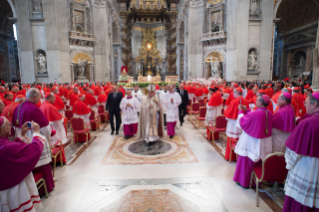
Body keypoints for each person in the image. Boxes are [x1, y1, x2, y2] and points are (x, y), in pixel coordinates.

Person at [12, 88, 55, 194]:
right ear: (35, 97)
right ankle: (45, 188)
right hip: (34, 140)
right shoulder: (34, 109)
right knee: (41, 165)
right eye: (40, 96)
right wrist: (50, 131)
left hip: (22, 140)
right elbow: (45, 129)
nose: (41, 98)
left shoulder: (18, 107)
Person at [283, 92, 319, 212]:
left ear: (314, 105)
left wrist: (289, 164)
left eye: (306, 103)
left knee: (302, 201)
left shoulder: (308, 123)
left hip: (308, 169)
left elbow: (293, 152)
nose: (305, 106)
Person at [0, 117, 45, 212]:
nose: (11, 127)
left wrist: (22, 134)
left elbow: (10, 153)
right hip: (12, 191)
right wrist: (36, 133)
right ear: (3, 130)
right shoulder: (6, 147)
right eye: (9, 125)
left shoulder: (4, 145)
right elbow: (35, 150)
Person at [233, 95, 273, 188]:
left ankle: (244, 182)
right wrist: (246, 109)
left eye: (257, 101)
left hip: (252, 141)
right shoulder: (268, 112)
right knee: (258, 162)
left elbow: (241, 122)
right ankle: (256, 183)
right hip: (262, 141)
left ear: (261, 103)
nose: (255, 102)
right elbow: (254, 115)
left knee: (246, 161)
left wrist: (240, 111)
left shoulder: (255, 113)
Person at [224, 87, 249, 161]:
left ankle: (230, 157)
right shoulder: (246, 101)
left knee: (232, 138)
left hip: (233, 123)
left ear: (237, 93)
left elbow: (228, 114)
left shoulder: (234, 102)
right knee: (239, 138)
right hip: (242, 123)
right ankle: (238, 157)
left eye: (234, 92)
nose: (233, 94)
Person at [40, 93, 67, 162]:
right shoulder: (50, 106)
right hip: (54, 129)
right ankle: (59, 160)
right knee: (57, 143)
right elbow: (58, 120)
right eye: (54, 98)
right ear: (50, 98)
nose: (55, 99)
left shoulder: (43, 104)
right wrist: (63, 118)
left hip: (48, 128)